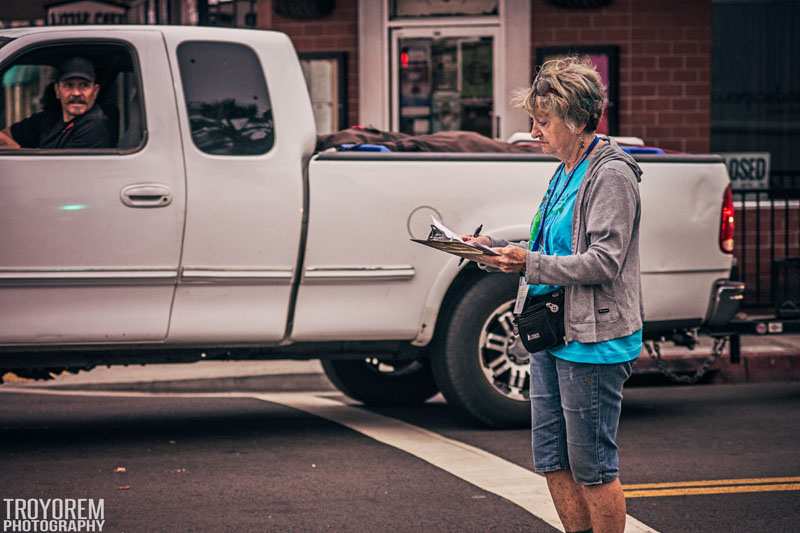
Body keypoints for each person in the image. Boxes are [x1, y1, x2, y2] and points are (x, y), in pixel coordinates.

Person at [465, 57, 643, 533]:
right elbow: (551, 246)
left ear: (579, 120)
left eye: (544, 121)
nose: (534, 130)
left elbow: (605, 261)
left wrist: (529, 262)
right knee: (550, 457)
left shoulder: (611, 175)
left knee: (593, 467)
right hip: (552, 331)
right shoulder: (566, 168)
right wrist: (496, 251)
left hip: (592, 340)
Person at [0, 56, 112, 149]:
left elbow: (59, 170)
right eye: (69, 85)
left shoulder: (94, 126)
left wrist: (15, 150)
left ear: (95, 91)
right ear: (57, 91)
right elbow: (6, 134)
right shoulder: (50, 118)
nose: (76, 93)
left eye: (84, 85)